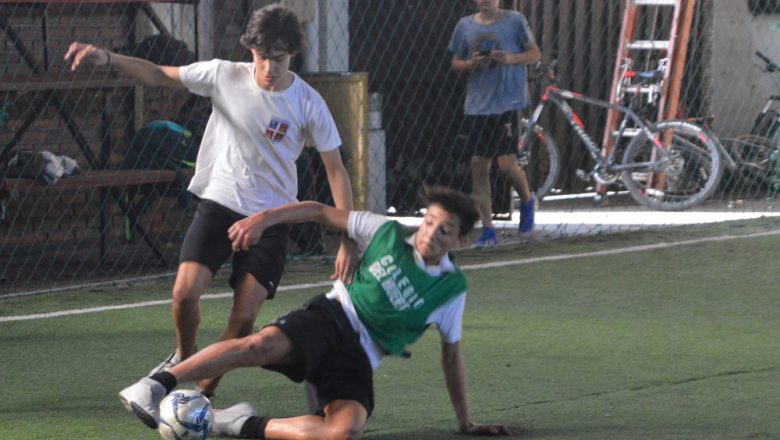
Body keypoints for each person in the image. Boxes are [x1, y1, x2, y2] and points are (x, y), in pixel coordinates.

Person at [65, 4, 358, 398]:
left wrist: (348, 238)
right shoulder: (223, 75)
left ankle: (200, 394)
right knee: (184, 294)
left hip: (269, 219)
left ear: (293, 55)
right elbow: (157, 74)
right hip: (220, 202)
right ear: (249, 49)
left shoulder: (308, 103)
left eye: (279, 58)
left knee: (244, 319)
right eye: (261, 56)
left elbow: (336, 170)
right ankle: (184, 359)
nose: (269, 67)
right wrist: (108, 57)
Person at [118, 186, 513, 438]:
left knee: (344, 432)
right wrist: (264, 218)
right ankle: (156, 384)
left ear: (460, 240)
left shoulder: (450, 290)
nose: (429, 233)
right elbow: (319, 211)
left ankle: (233, 423)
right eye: (428, 221)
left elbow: (451, 356)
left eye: (444, 230)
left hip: (361, 356)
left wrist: (466, 422)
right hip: (332, 317)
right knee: (261, 345)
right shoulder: (386, 232)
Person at [449, 0, 542, 247]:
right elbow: (456, 62)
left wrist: (510, 58)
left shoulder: (514, 21)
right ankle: (488, 230)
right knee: (479, 164)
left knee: (506, 163)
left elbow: (535, 53)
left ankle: (527, 199)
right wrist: (472, 63)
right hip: (477, 106)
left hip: (507, 102)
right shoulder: (465, 26)